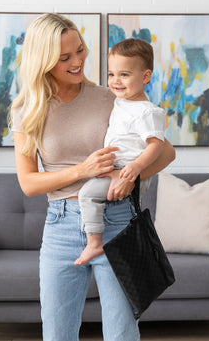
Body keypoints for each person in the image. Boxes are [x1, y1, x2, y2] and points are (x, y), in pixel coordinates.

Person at [10, 13, 175, 341]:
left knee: (122, 333)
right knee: (58, 334)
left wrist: (130, 178)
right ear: (43, 61)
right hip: (60, 226)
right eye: (65, 57)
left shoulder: (111, 99)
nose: (78, 61)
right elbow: (28, 183)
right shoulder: (27, 110)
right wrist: (82, 171)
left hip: (117, 222)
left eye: (80, 50)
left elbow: (166, 153)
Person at [75, 38, 166, 266]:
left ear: (145, 77)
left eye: (124, 75)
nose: (116, 81)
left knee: (86, 194)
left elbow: (157, 145)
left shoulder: (147, 112)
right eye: (111, 74)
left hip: (129, 170)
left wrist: (135, 168)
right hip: (119, 168)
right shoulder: (121, 101)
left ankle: (94, 243)